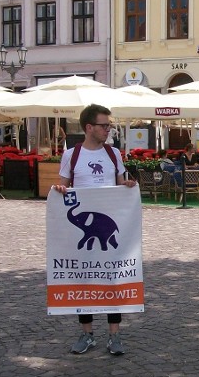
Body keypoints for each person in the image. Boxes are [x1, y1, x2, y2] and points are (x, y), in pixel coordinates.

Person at [54, 104, 138, 356]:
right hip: (86, 225)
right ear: (89, 127)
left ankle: (115, 336)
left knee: (113, 278)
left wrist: (128, 186)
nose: (108, 129)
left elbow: (121, 185)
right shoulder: (73, 155)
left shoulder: (113, 154)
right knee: (85, 278)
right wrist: (60, 191)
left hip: (108, 222)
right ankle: (87, 333)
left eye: (109, 125)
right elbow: (64, 187)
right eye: (104, 125)